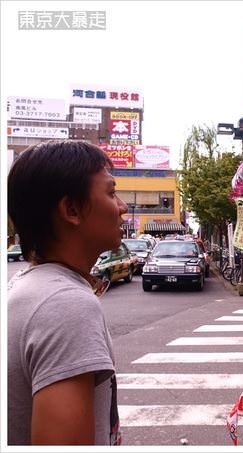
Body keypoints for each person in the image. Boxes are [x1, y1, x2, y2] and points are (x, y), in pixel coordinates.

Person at [7, 140, 127, 445]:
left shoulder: (30, 287)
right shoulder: (65, 305)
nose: (123, 207)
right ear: (71, 209)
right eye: (111, 193)